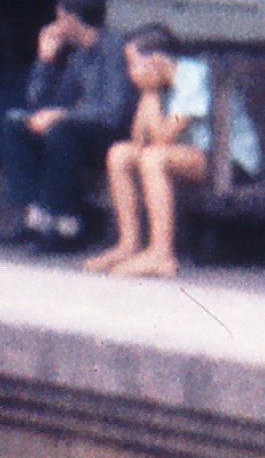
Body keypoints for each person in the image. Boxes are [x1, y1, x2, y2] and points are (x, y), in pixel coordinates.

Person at [0, 0, 132, 246]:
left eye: (58, 17)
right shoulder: (79, 54)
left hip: (114, 135)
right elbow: (41, 103)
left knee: (61, 130)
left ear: (69, 19)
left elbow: (114, 112)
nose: (56, 24)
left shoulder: (115, 48)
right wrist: (45, 60)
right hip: (82, 131)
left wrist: (62, 115)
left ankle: (69, 226)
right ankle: (37, 218)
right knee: (16, 122)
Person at [87, 25, 213, 277]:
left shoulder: (192, 77)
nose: (131, 73)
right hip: (183, 154)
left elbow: (162, 139)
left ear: (156, 60)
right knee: (120, 153)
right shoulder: (160, 83)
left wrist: (151, 94)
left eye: (134, 65)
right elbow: (138, 139)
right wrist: (148, 95)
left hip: (225, 161)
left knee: (154, 158)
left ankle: (161, 254)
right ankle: (129, 243)